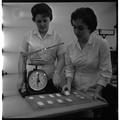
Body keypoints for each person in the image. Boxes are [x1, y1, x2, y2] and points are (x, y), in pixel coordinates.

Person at [62, 7, 112, 100]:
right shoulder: (70, 46)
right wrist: (68, 84)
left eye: (80, 28)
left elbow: (106, 72)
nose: (76, 31)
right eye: (74, 27)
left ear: (90, 27)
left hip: (94, 91)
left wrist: (98, 92)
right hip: (74, 91)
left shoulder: (101, 44)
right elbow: (69, 68)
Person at [18, 3, 65, 92]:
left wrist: (57, 73)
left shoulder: (57, 37)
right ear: (34, 20)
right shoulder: (27, 36)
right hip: (31, 78)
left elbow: (61, 58)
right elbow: (22, 57)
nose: (42, 24)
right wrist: (20, 77)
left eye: (45, 20)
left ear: (50, 19)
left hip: (50, 78)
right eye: (39, 21)